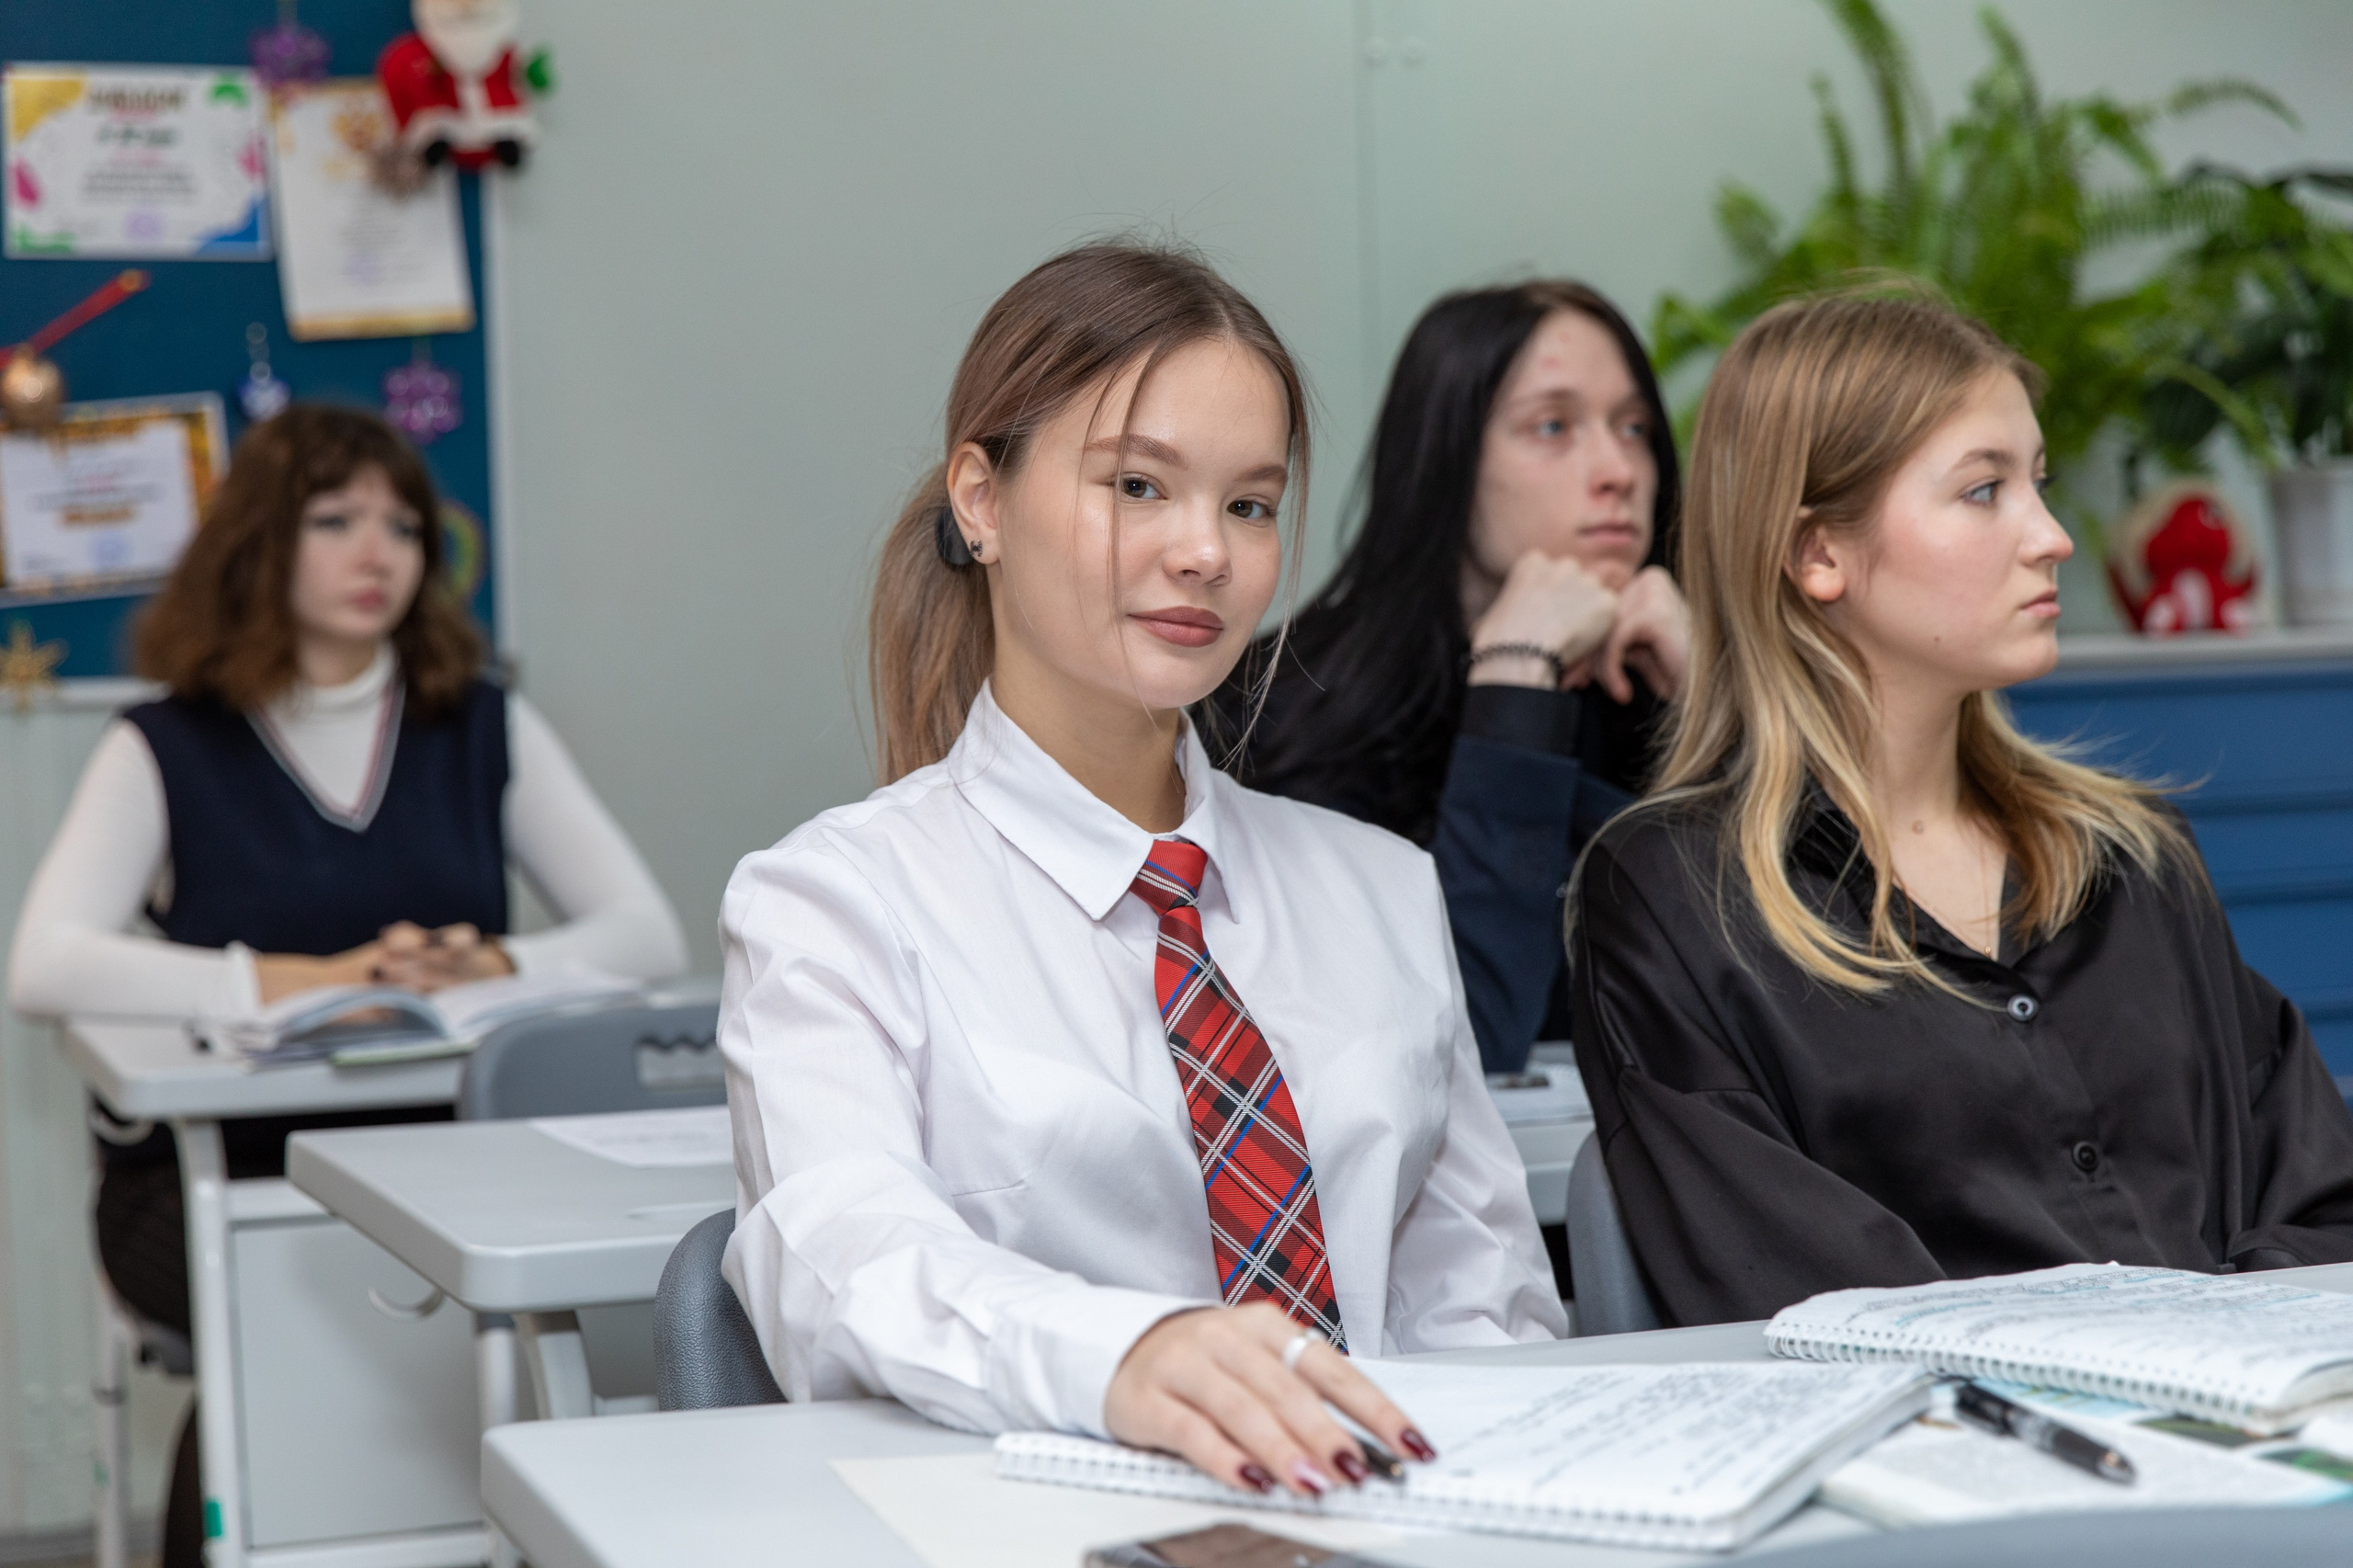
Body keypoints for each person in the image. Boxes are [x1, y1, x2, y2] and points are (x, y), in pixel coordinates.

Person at [720, 243, 1563, 1499]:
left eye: (1248, 504)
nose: (1204, 553)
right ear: (981, 501)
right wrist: (1132, 1356)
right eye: (1138, 486)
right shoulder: (834, 903)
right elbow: (848, 1264)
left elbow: (1482, 1317)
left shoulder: (1379, 888)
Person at [1569, 292, 2353, 1327]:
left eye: (2038, 482)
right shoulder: (1672, 901)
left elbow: (2320, 1206)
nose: (2054, 537)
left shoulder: (2133, 855)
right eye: (1983, 490)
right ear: (1817, 553)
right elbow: (1804, 1305)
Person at [7, 403, 688, 1566]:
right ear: (262, 542)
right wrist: (286, 978)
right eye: (336, 520)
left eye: (402, 525)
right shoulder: (164, 742)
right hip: (211, 1178)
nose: (379, 552)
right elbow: (46, 962)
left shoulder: (482, 724)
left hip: (449, 1155)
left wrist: (491, 960)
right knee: (269, 1328)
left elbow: (646, 933)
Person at [1211, 281, 1687, 1074]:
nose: (1619, 470)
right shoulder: (1287, 699)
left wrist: (1730, 710)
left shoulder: (1663, 680)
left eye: (1634, 427)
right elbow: (1463, 1038)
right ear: (1447, 457)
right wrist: (1513, 691)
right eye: (1553, 426)